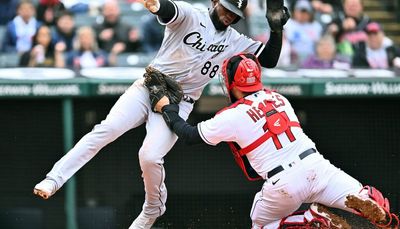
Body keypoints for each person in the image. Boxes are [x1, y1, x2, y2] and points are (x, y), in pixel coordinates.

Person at [33, 0, 290, 228]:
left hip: (181, 101)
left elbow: (267, 60)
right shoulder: (192, 15)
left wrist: (276, 30)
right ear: (215, 1)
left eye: (235, 13)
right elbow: (168, 10)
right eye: (227, 8)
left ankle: (153, 207)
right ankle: (55, 177)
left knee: (150, 155)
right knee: (107, 129)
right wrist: (156, 5)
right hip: (149, 87)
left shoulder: (234, 39)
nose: (230, 16)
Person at [153, 53, 400, 229]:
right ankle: (370, 204)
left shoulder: (231, 116)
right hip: (319, 167)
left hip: (284, 182)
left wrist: (168, 109)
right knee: (361, 199)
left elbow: (188, 135)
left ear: (232, 83)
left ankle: (306, 220)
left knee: (260, 224)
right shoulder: (278, 98)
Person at [284, 0, 322, 65]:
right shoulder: (287, 24)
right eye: (300, 11)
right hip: (291, 57)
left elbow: (319, 44)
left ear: (310, 13)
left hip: (311, 59)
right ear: (295, 11)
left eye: (305, 12)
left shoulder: (316, 26)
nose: (303, 14)